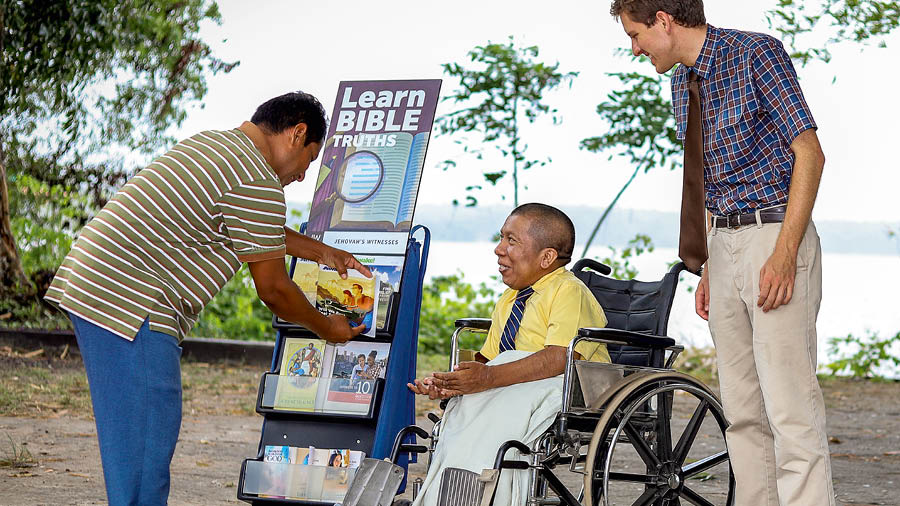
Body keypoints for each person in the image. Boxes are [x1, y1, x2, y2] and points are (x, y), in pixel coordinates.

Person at [43, 91, 372, 506]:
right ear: (297, 133)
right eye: (309, 160)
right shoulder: (258, 179)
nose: (303, 175)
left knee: (133, 445)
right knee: (146, 449)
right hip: (134, 303)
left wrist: (321, 252)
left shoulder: (219, 146)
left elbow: (257, 228)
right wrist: (330, 329)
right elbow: (274, 290)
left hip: (97, 285)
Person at [609, 2, 833, 505]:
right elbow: (704, 178)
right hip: (723, 246)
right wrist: (709, 260)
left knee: (790, 406)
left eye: (637, 34)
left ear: (664, 19)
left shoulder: (756, 54)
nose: (634, 47)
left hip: (772, 237)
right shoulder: (678, 83)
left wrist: (783, 253)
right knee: (742, 410)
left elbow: (810, 154)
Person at [407, 203, 610, 506]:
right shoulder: (510, 298)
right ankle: (449, 497)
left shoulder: (568, 291)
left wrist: (487, 377)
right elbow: (490, 359)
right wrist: (452, 382)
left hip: (568, 383)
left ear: (547, 257)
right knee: (462, 416)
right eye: (501, 238)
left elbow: (560, 358)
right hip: (517, 381)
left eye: (511, 241)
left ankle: (487, 497)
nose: (499, 249)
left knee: (489, 420)